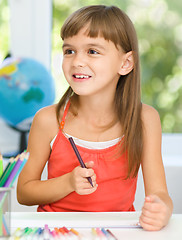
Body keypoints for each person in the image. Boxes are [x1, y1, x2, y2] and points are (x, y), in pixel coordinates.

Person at [17, 5, 173, 231]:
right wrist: (68, 183)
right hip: (56, 232)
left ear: (126, 63)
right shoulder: (48, 120)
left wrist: (162, 209)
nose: (77, 61)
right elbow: (24, 191)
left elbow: (159, 194)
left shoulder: (145, 119)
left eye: (92, 51)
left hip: (116, 233)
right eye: (69, 51)